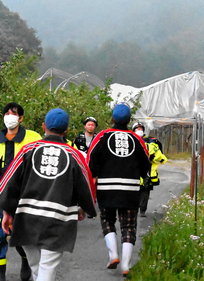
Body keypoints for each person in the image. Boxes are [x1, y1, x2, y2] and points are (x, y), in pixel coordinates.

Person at [0, 108, 97, 281]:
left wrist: (6, 212)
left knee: (36, 267)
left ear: (43, 126)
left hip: (26, 220)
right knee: (46, 269)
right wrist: (85, 208)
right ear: (66, 131)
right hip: (58, 222)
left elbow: (9, 183)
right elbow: (87, 185)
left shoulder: (28, 150)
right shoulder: (74, 155)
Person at [87, 103, 150, 276]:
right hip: (130, 190)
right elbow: (146, 164)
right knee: (128, 226)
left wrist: (94, 176)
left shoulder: (101, 136)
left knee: (107, 220)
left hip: (106, 188)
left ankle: (113, 254)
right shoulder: (137, 140)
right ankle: (126, 265)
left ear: (112, 118)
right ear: (129, 120)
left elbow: (91, 160)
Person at [0, 102, 43, 281]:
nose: (10, 116)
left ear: (21, 118)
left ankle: (25, 259)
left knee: (22, 235)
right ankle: (0, 274)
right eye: (6, 113)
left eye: (13, 113)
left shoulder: (33, 139)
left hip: (23, 195)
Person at [132, 122, 168, 217]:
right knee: (133, 192)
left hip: (147, 172)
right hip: (134, 171)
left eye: (140, 129)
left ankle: (142, 210)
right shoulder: (131, 141)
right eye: (137, 129)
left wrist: (152, 157)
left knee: (145, 191)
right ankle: (133, 209)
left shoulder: (151, 142)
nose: (139, 131)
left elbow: (160, 157)